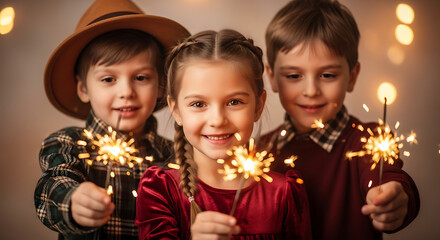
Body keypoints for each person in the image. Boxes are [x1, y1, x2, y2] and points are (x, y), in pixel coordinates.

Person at [260, 0, 420, 239]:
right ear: (272, 77)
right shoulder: (262, 149)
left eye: (327, 75)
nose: (311, 90)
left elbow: (389, 176)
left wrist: (397, 197)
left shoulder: (368, 139)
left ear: (352, 76)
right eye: (294, 75)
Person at [135, 29, 312, 240]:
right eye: (198, 104)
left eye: (234, 102)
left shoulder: (284, 193)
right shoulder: (160, 191)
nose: (217, 120)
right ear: (176, 110)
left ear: (258, 106)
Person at [34, 0, 189, 239]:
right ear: (83, 88)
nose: (126, 91)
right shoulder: (68, 143)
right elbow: (53, 185)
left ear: (161, 86)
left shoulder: (172, 157)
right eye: (108, 79)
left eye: (140, 77)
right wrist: (72, 199)